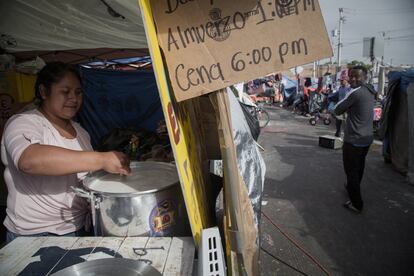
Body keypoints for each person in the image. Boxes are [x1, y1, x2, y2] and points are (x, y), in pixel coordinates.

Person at [1, 62, 131, 243]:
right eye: (65, 92)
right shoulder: (24, 122)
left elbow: (83, 173)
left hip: (79, 228)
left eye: (78, 92)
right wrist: (101, 159)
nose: (73, 98)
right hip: (35, 234)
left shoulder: (81, 132)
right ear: (44, 92)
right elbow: (28, 160)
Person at [334, 65, 376, 213]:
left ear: (364, 77)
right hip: (366, 138)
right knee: (359, 167)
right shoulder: (370, 90)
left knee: (351, 170)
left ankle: (356, 204)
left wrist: (348, 97)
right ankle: (352, 187)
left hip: (354, 139)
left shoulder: (355, 93)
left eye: (356, 76)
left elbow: (337, 109)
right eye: (350, 76)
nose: (352, 79)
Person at [334, 71, 352, 137]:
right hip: (340, 107)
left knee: (346, 123)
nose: (341, 82)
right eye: (340, 80)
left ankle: (346, 135)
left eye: (342, 80)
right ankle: (338, 132)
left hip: (347, 108)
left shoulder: (350, 88)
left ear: (346, 80)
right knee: (338, 121)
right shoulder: (340, 88)